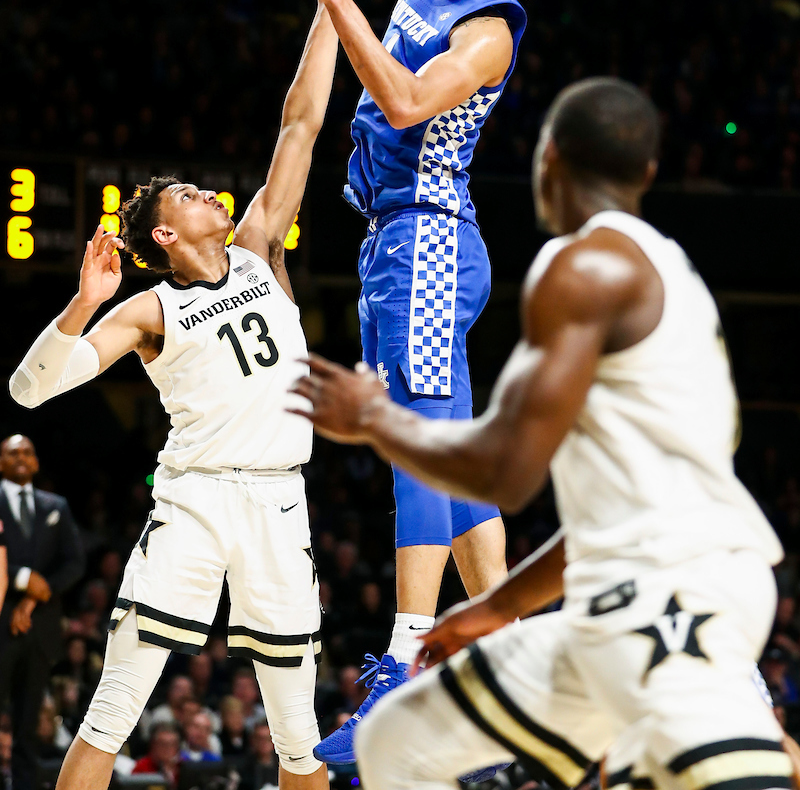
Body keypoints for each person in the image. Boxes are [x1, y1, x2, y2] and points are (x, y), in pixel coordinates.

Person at [292, 76, 792, 790]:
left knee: (732, 775)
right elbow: (603, 518)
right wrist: (494, 607)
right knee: (400, 744)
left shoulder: (583, 266)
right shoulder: (669, 271)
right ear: (648, 174)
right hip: (615, 592)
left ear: (546, 158)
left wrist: (376, 419)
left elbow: (507, 470)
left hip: (682, 588)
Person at [8, 0, 358, 790]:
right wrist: (85, 305)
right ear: (163, 236)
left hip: (280, 505)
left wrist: (330, 5)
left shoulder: (258, 247)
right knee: (112, 710)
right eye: (193, 196)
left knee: (299, 741)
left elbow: (301, 125)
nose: (212, 193)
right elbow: (27, 393)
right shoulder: (150, 310)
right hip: (195, 504)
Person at [300, 0, 563, 768]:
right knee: (445, 458)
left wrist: (333, 4)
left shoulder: (487, 30)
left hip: (430, 234)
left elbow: (402, 99)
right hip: (394, 242)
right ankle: (520, 655)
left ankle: (404, 661)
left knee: (411, 441)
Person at [0, 435, 84, 790]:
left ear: (36, 461)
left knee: (29, 727)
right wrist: (21, 578)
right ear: (1, 461)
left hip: (38, 630)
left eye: (27, 452)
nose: (21, 457)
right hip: (2, 624)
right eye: (13, 452)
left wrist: (34, 597)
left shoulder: (56, 505)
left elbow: (75, 562)